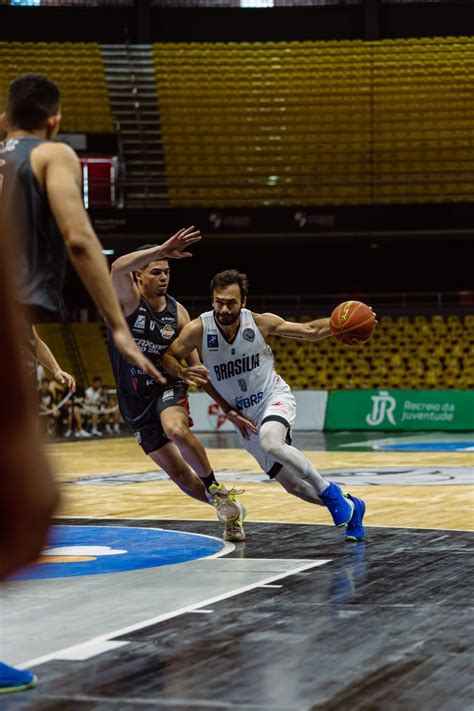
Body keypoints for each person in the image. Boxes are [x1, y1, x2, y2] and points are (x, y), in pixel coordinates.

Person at [0, 72, 198, 694]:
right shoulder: (51, 154)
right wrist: (115, 326)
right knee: (27, 506)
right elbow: (82, 239)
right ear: (53, 121)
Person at [162, 269, 372, 543]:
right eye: (218, 302)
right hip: (243, 417)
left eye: (231, 302)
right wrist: (182, 372)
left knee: (272, 441)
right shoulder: (198, 329)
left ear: (244, 301)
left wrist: (352, 320)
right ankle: (353, 505)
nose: (224, 309)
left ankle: (331, 492)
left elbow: (309, 331)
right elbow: (168, 356)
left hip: (273, 398)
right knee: (294, 486)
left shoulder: (260, 323)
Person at [109, 240, 256, 541]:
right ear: (139, 276)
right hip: (134, 400)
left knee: (175, 428)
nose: (163, 277)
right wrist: (161, 249)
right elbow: (116, 266)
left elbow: (197, 368)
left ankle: (213, 484)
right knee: (182, 479)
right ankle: (227, 506)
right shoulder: (128, 302)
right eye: (156, 272)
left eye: (166, 272)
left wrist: (223, 404)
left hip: (167, 384)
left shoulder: (178, 314)